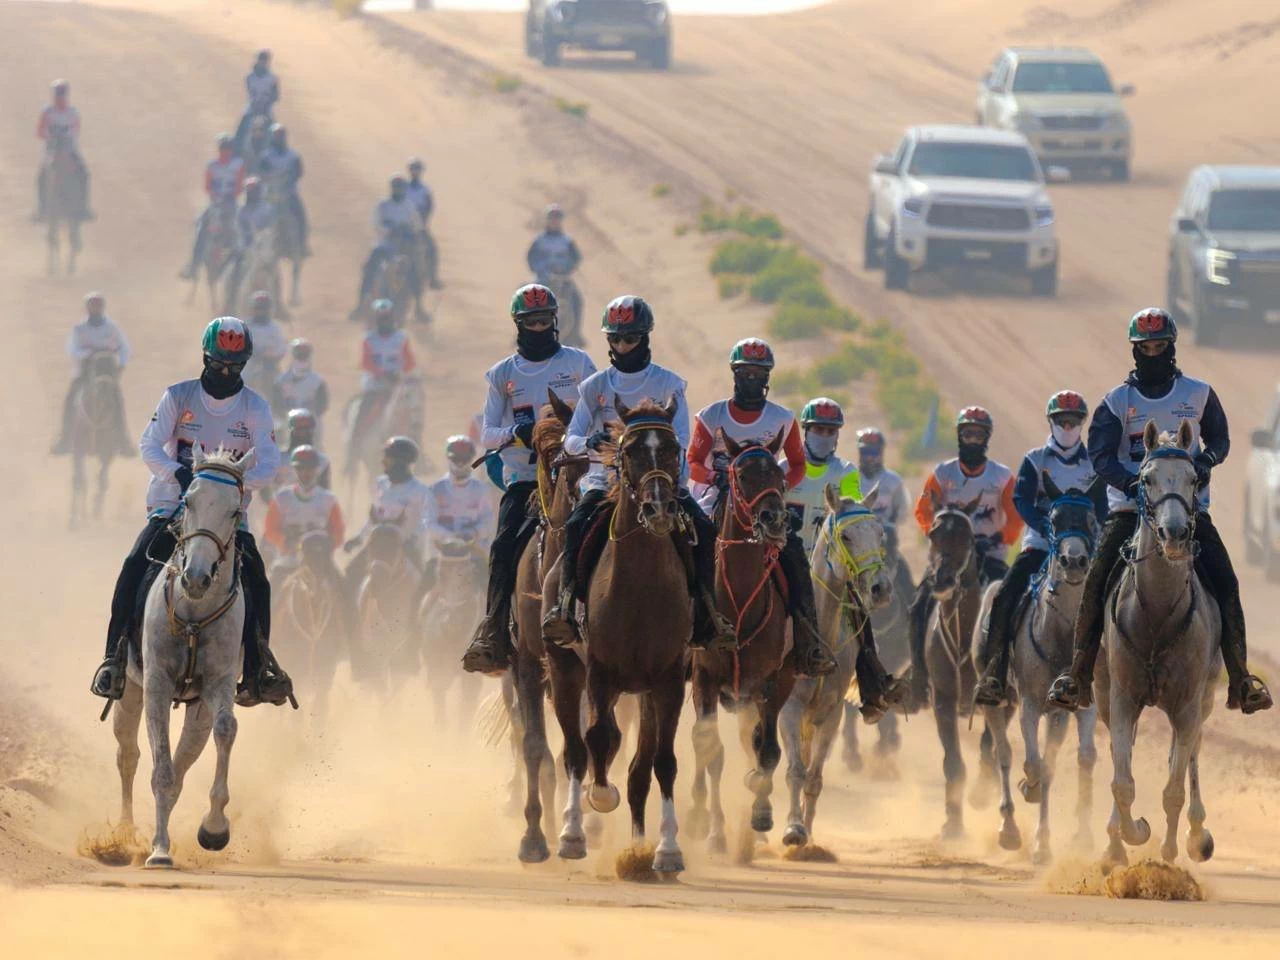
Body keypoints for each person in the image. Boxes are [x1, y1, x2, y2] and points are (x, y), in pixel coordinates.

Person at [1047, 308, 1272, 715]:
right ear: (1135, 351)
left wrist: (1206, 462)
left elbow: (1220, 438)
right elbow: (1099, 455)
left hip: (1189, 512)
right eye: (1144, 348)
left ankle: (1240, 679)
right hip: (1130, 512)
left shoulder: (1199, 394)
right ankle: (1078, 674)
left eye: (1159, 347)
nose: (1152, 354)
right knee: (1096, 583)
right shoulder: (1117, 402)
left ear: (1171, 347)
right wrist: (1130, 481)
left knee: (1225, 581)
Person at [89, 317, 291, 708]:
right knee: (134, 564)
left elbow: (269, 463)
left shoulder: (254, 408)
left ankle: (256, 671)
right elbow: (150, 444)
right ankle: (114, 658)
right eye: (218, 365)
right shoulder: (178, 397)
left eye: (234, 367)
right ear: (205, 357)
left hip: (228, 517)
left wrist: (233, 487)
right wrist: (176, 472)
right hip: (172, 504)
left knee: (259, 581)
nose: (225, 372)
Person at [540, 295, 734, 651]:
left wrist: (670, 478)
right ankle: (566, 605)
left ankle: (707, 614)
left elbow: (683, 440)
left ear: (644, 338)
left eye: (628, 338)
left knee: (704, 528)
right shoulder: (595, 386)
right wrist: (590, 441)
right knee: (576, 524)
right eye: (614, 338)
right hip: (604, 482)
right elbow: (571, 441)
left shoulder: (669, 384)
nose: (621, 345)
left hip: (660, 483)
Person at [461, 284, 597, 674]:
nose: (539, 328)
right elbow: (487, 433)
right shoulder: (503, 374)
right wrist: (515, 434)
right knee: (503, 546)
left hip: (579, 472)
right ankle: (493, 632)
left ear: (555, 321)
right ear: (518, 325)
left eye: (544, 320)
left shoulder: (578, 363)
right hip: (526, 478)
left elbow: (600, 411)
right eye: (530, 321)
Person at [685, 338, 837, 678]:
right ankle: (679, 637)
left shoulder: (783, 419)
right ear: (734, 375)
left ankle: (808, 644)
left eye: (758, 372)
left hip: (762, 500)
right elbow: (693, 461)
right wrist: (717, 476)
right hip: (716, 494)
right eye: (745, 372)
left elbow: (798, 464)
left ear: (767, 376)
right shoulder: (712, 416)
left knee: (795, 557)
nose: (751, 378)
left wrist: (777, 484)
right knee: (685, 546)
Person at [972, 390, 1106, 707]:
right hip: (1040, 548)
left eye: (1073, 421)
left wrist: (1093, 533)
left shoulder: (1094, 465)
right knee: (1004, 596)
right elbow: (1021, 500)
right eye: (1061, 420)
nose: (1068, 426)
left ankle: (1110, 675)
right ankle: (995, 673)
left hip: (1084, 551)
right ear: (1051, 422)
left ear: (1082, 423)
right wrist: (1045, 526)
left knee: (1115, 599)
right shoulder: (1035, 460)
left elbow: (1103, 506)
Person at [907, 406, 1022, 702]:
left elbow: (1016, 515)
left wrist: (1001, 536)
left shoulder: (1002, 477)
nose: (972, 439)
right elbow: (922, 510)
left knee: (1012, 604)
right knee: (919, 606)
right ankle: (919, 678)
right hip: (949, 557)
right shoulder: (942, 474)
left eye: (978, 434)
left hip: (991, 554)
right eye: (967, 433)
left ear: (986, 438)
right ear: (959, 436)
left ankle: (1008, 675)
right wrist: (935, 534)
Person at [342, 437, 432, 591]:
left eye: (387, 458)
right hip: (378, 542)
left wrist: (412, 539)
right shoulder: (380, 484)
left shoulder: (419, 490)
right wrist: (359, 538)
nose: (383, 461)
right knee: (351, 572)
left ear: (400, 461)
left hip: (406, 545)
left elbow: (426, 522)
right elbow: (374, 518)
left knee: (422, 583)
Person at [51, 292, 133, 457]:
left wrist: (121, 365)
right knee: (70, 399)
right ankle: (65, 439)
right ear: (87, 308)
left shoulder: (112, 327)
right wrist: (88, 354)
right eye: (92, 306)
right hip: (85, 371)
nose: (95, 309)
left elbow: (125, 348)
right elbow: (72, 350)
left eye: (98, 306)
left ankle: (123, 440)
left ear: (102, 308)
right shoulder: (79, 329)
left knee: (117, 401)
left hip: (107, 370)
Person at [419, 435, 495, 602]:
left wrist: (473, 532)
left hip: (474, 552)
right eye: (456, 459)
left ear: (471, 459)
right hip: (442, 553)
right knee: (421, 591)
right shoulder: (435, 489)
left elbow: (488, 522)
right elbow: (428, 522)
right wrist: (451, 537)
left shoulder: (481, 489)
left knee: (491, 590)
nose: (460, 463)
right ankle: (413, 622)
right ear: (448, 459)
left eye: (464, 459)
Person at [786, 398, 862, 554]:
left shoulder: (846, 472)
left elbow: (854, 517)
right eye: (819, 429)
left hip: (827, 564)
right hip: (784, 559)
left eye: (831, 431)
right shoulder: (783, 468)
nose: (825, 436)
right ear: (805, 431)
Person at [351, 176, 421, 321]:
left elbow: (417, 225)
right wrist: (388, 231)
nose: (398, 190)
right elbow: (375, 223)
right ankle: (360, 304)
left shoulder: (409, 205)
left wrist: (408, 229)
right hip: (384, 245)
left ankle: (420, 306)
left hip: (403, 247)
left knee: (415, 269)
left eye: (400, 187)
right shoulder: (382, 205)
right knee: (370, 268)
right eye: (396, 187)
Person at [855, 426, 913, 595]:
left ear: (881, 453)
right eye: (865, 453)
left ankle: (909, 604)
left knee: (906, 577)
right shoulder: (850, 478)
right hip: (858, 532)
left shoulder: (893, 480)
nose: (869, 458)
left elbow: (903, 509)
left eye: (874, 453)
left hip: (885, 532)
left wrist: (889, 523)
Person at [179, 133, 245, 280]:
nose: (224, 151)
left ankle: (243, 259)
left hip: (231, 204)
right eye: (222, 148)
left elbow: (240, 186)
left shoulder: (238, 164)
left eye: (227, 148)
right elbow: (207, 186)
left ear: (231, 149)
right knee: (201, 224)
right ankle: (193, 265)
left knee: (240, 225)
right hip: (215, 204)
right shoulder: (212, 166)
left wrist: (231, 195)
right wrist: (215, 196)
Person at [263, 445, 344, 562]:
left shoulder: (329, 499)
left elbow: (338, 532)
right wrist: (285, 542)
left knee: (341, 580)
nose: (306, 472)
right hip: (288, 559)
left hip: (321, 561)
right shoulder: (281, 498)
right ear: (295, 470)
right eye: (301, 468)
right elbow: (269, 529)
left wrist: (328, 545)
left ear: (317, 469)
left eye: (310, 468)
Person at [351, 299, 417, 431]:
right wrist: (381, 373)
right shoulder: (368, 339)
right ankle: (356, 441)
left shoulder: (401, 337)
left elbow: (410, 362)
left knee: (413, 408)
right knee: (365, 409)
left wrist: (400, 373)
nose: (384, 321)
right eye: (381, 317)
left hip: (397, 382)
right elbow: (365, 362)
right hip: (375, 383)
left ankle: (415, 439)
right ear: (375, 319)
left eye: (386, 317)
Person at [35, 79, 93, 222]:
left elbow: (76, 130)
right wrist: (50, 137)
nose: (59, 98)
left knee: (83, 174)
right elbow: (40, 131)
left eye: (62, 94)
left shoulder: (73, 112)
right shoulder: (47, 112)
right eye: (57, 95)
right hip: (52, 149)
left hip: (69, 148)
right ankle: (42, 210)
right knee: (41, 177)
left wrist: (66, 138)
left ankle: (83, 208)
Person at [257, 124, 310, 257]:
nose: (278, 139)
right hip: (269, 194)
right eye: (276, 136)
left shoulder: (293, 156)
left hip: (289, 194)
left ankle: (302, 245)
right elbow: (261, 174)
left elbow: (299, 173)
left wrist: (289, 181)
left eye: (280, 136)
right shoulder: (265, 156)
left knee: (301, 217)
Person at [224, 178, 277, 310]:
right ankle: (228, 303)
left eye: (253, 192)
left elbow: (271, 226)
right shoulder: (241, 209)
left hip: (263, 246)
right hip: (245, 247)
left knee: (275, 273)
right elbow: (238, 227)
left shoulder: (267, 209)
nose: (251, 195)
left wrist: (263, 235)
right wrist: (247, 238)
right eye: (249, 192)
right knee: (233, 272)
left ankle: (279, 304)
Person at [271, 338, 329, 427]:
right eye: (299, 354)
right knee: (277, 428)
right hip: (287, 419)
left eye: (304, 354)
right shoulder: (281, 380)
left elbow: (322, 403)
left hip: (310, 420)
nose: (301, 357)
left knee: (318, 429)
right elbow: (275, 402)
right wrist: (282, 413)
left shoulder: (318, 381)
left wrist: (315, 413)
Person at [243, 290, 289, 394]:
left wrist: (272, 355)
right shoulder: (245, 326)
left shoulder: (275, 327)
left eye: (264, 309)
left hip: (270, 365)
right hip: (249, 364)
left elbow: (281, 347)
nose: (261, 311)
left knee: (283, 388)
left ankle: (279, 408)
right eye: (258, 308)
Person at [405, 157, 441, 290]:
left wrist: (423, 221)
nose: (415, 172)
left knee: (432, 250)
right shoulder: (403, 187)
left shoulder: (425, 190)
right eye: (413, 169)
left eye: (417, 169)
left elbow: (429, 207)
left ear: (421, 171)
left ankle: (433, 278)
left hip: (418, 225)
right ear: (409, 171)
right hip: (402, 225)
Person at [234, 50, 279, 152]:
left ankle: (276, 151)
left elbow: (276, 95)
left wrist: (267, 103)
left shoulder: (273, 78)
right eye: (261, 60)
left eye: (265, 60)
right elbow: (250, 93)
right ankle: (235, 150)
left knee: (275, 129)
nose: (262, 62)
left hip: (267, 107)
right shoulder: (249, 77)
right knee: (242, 125)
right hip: (252, 106)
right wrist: (255, 104)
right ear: (258, 60)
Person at [279, 408, 331, 490]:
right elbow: (267, 491)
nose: (302, 434)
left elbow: (325, 492)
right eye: (299, 430)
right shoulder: (278, 459)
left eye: (305, 429)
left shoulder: (322, 461)